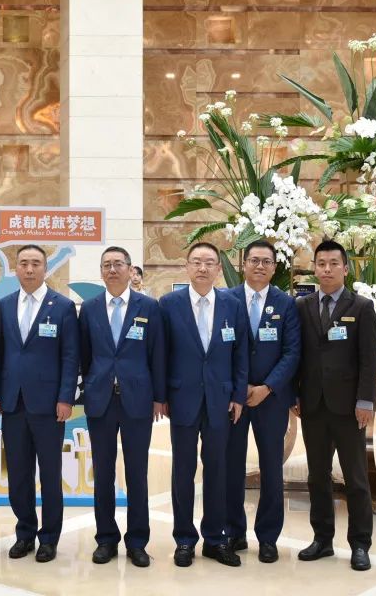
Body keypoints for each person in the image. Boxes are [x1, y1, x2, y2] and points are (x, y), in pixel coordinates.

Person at [159, 241, 249, 568]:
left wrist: (238, 395)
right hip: (181, 399)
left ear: (218, 269)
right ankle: (184, 539)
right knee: (183, 472)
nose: (202, 268)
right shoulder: (169, 304)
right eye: (196, 261)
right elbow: (160, 353)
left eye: (209, 262)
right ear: (186, 266)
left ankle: (214, 538)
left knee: (218, 471)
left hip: (220, 401)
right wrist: (161, 395)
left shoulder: (232, 305)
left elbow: (241, 353)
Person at [294, 240, 376, 572]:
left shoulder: (361, 307)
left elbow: (369, 359)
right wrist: (295, 394)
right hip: (313, 405)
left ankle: (360, 544)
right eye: (321, 263)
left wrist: (365, 400)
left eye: (333, 263)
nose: (327, 269)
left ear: (345, 268)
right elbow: (297, 355)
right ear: (314, 268)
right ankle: (322, 539)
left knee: (356, 478)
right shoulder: (302, 306)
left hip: (348, 407)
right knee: (318, 476)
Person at [79, 246, 165, 568]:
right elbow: (84, 355)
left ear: (131, 270)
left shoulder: (149, 307)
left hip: (137, 401)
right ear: (101, 272)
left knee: (137, 474)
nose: (112, 269)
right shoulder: (89, 309)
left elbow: (157, 354)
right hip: (101, 400)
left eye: (118, 264)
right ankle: (106, 539)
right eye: (107, 265)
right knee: (102, 474)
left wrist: (159, 397)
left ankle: (137, 541)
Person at [0, 244, 79, 563]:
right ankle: (25, 533)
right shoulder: (3, 306)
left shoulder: (62, 307)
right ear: (15, 268)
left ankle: (49, 538)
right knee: (18, 474)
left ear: (45, 268)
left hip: (49, 405)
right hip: (13, 403)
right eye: (23, 263)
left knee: (49, 474)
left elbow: (70, 356)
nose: (29, 269)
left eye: (35, 263)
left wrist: (66, 397)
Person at [225, 240, 301, 563]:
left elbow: (292, 353)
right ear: (243, 264)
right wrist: (239, 388)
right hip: (235, 399)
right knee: (231, 466)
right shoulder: (226, 300)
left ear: (274, 267)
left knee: (272, 467)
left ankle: (268, 537)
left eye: (266, 261)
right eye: (254, 260)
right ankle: (234, 531)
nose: (259, 266)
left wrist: (267, 387)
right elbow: (221, 347)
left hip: (271, 399)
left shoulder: (287, 304)